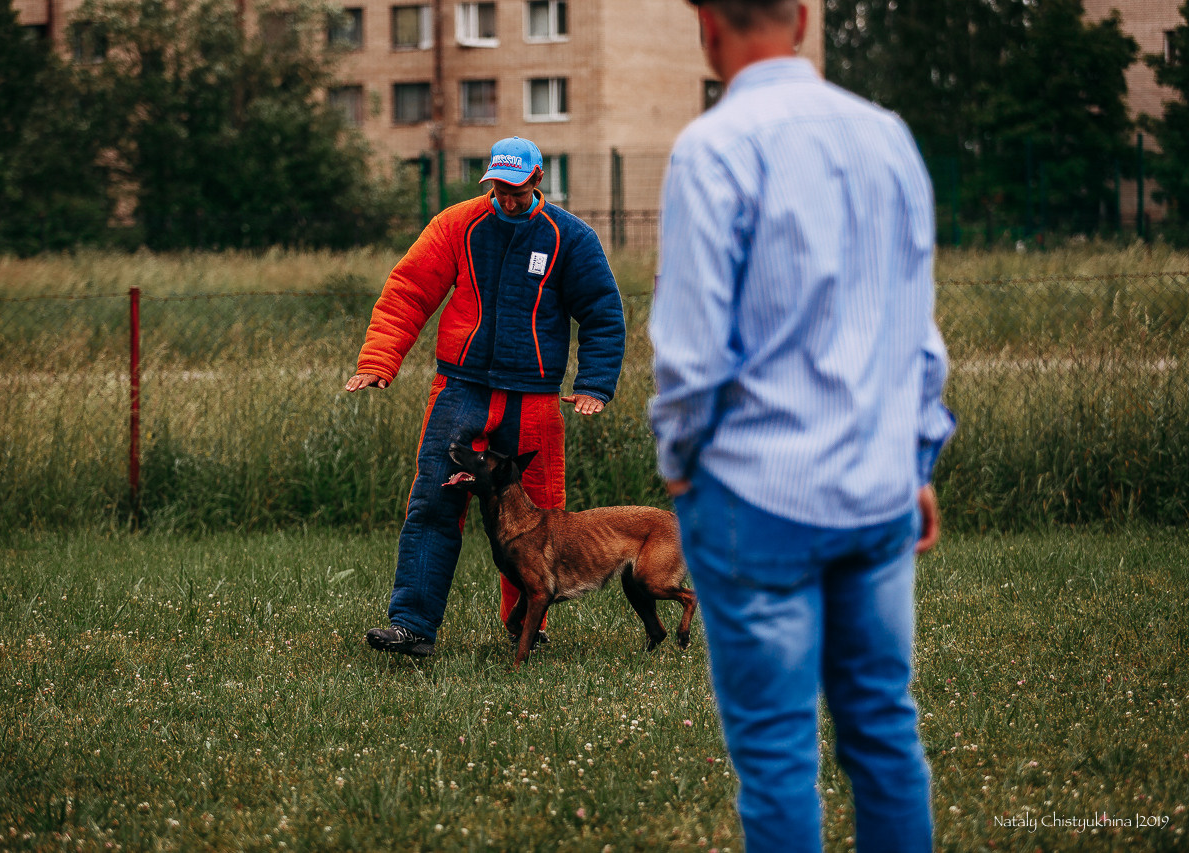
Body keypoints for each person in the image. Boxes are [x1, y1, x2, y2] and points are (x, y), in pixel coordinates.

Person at [648, 2, 955, 851]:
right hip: (876, 486)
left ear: (707, 25)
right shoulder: (887, 136)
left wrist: (680, 465)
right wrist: (917, 456)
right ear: (806, 20)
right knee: (885, 734)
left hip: (754, 494)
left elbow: (691, 351)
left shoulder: (712, 148)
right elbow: (916, 330)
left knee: (778, 756)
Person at [347, 136, 626, 658]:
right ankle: (413, 626)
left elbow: (603, 314)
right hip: (461, 389)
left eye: (516, 190)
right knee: (432, 503)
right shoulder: (457, 225)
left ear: (537, 181)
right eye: (497, 187)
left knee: (540, 517)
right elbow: (408, 291)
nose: (506, 199)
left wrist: (593, 385)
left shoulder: (572, 238)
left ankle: (527, 627)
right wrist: (379, 362)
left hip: (535, 398)